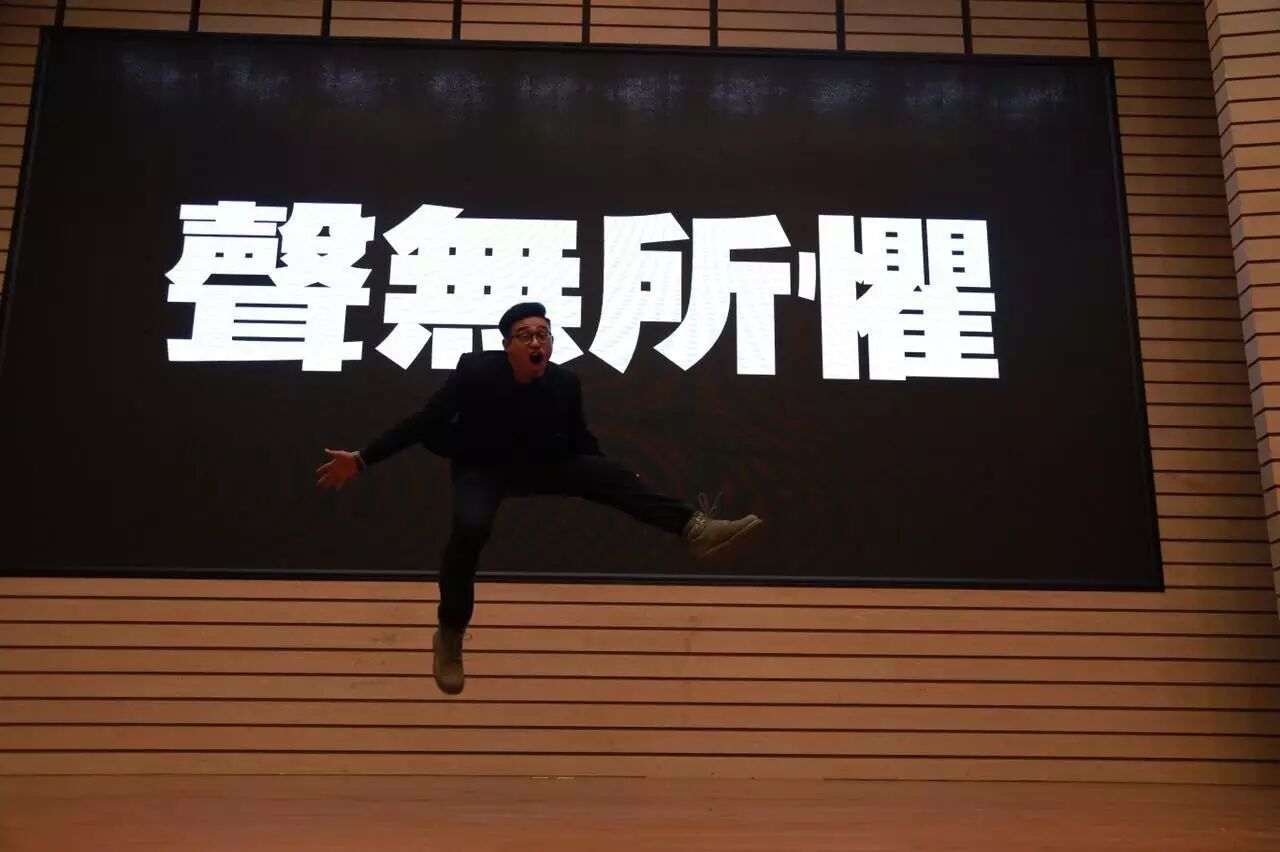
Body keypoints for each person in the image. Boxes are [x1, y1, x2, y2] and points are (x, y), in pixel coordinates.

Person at [316, 302, 762, 695]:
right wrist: (362, 459)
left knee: (610, 474)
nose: (536, 342)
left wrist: (614, 475)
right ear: (507, 346)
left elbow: (580, 441)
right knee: (470, 528)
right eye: (525, 335)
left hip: (542, 463)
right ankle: (450, 632)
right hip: (482, 465)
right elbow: (421, 423)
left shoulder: (565, 383)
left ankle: (695, 530)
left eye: (543, 335)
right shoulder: (475, 372)